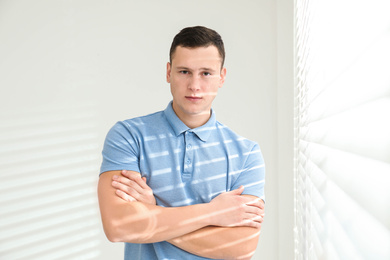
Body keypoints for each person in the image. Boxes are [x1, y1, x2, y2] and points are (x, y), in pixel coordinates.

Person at [98, 26, 266, 260]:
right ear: (168, 72)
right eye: (184, 71)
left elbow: (241, 248)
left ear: (222, 77)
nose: (195, 85)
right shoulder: (128, 136)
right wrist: (212, 213)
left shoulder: (247, 154)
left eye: (206, 73)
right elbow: (118, 227)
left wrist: (153, 213)